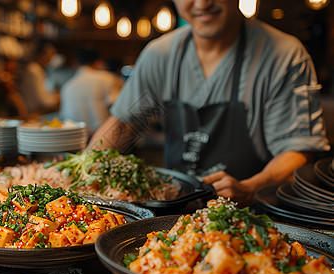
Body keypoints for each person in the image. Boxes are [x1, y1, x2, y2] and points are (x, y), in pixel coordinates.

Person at [89, 0, 330, 205]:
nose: (202, 4)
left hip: (255, 218)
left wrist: (249, 189)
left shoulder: (283, 55)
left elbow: (297, 153)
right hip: (172, 215)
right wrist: (81, 174)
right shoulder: (159, 55)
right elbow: (123, 127)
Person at [59, 47, 123, 135]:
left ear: (75, 63)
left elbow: (64, 117)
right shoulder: (107, 78)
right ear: (99, 62)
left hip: (75, 139)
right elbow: (120, 110)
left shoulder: (67, 86)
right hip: (105, 138)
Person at [18, 41, 60, 118]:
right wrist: (58, 99)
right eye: (49, 57)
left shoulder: (35, 69)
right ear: (42, 55)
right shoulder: (34, 69)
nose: (50, 60)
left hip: (36, 114)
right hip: (34, 115)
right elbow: (42, 100)